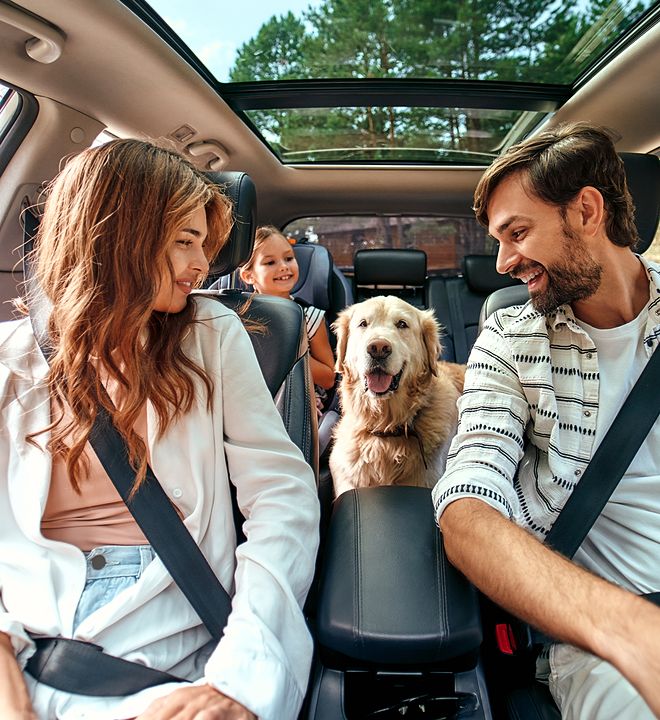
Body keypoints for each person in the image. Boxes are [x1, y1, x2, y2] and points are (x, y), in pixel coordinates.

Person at [0, 139, 320, 720]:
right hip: (26, 639)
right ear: (116, 235)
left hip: (170, 640)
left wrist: (241, 675)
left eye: (205, 245)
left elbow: (282, 497)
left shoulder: (211, 334)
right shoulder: (9, 360)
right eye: (185, 242)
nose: (204, 267)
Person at [432, 123, 660, 719]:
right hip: (603, 638)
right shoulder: (508, 341)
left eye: (518, 233)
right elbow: (466, 507)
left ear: (586, 211)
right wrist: (629, 629)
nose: (503, 261)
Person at [238, 226, 336, 413]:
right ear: (249, 275)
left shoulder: (310, 318)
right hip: (250, 400)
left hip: (299, 402)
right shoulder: (238, 318)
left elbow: (328, 378)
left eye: (289, 258)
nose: (283, 266)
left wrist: (286, 353)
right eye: (270, 262)